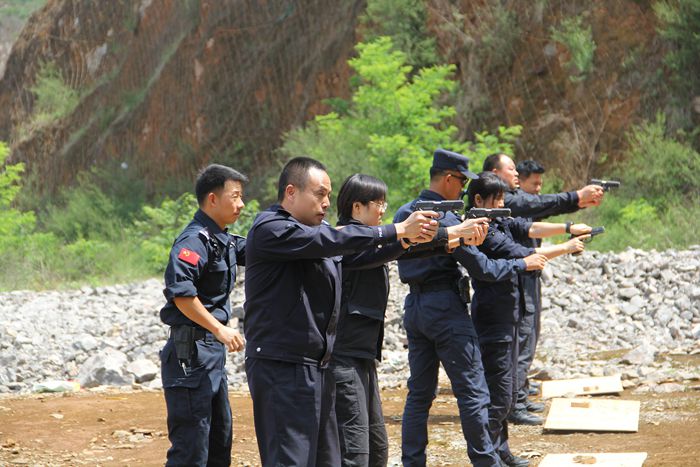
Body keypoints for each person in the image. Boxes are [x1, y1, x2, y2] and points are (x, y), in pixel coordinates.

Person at [243, 157, 439, 467]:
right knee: (292, 459)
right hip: (282, 366)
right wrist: (397, 229)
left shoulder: (313, 236)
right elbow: (334, 239)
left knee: (329, 459)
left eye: (328, 196)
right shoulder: (272, 228)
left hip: (316, 366)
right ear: (291, 192)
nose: (325, 203)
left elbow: (356, 257)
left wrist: (405, 241)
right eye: (319, 194)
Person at [394, 149, 548, 467]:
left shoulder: (404, 213)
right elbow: (484, 270)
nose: (464, 190)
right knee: (473, 392)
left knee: (419, 395)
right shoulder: (448, 218)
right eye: (462, 182)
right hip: (446, 308)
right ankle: (487, 462)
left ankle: (413, 463)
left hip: (415, 307)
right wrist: (523, 263)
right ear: (449, 178)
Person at [331, 174, 489, 467]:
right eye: (377, 203)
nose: (383, 209)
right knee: (355, 451)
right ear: (356, 207)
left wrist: (454, 235)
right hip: (345, 358)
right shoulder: (344, 239)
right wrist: (446, 232)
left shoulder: (367, 240)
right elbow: (384, 247)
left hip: (363, 357)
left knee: (376, 449)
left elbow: (407, 247)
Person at [466, 172, 590, 465]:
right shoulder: (485, 231)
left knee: (505, 393)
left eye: (501, 197)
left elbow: (530, 227)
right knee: (499, 395)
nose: (500, 203)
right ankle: (489, 455)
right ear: (478, 201)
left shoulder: (500, 223)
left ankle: (501, 450)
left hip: (507, 317)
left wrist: (569, 226)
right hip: (493, 320)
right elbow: (522, 254)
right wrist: (567, 246)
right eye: (495, 198)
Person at [484, 153, 603, 424]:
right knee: (519, 341)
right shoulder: (504, 206)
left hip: (522, 277)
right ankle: (512, 402)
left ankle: (517, 396)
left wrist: (571, 218)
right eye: (510, 169)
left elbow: (533, 223)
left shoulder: (503, 208)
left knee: (525, 338)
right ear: (494, 173)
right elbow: (525, 234)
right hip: (509, 283)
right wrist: (574, 203)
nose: (515, 174)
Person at [159, 164, 248, 466]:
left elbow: (264, 249)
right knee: (191, 451)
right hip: (190, 355)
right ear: (212, 199)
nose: (241, 204)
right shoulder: (194, 241)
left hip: (210, 356)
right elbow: (182, 295)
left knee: (219, 445)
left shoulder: (223, 240)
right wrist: (220, 329)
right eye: (235, 197)